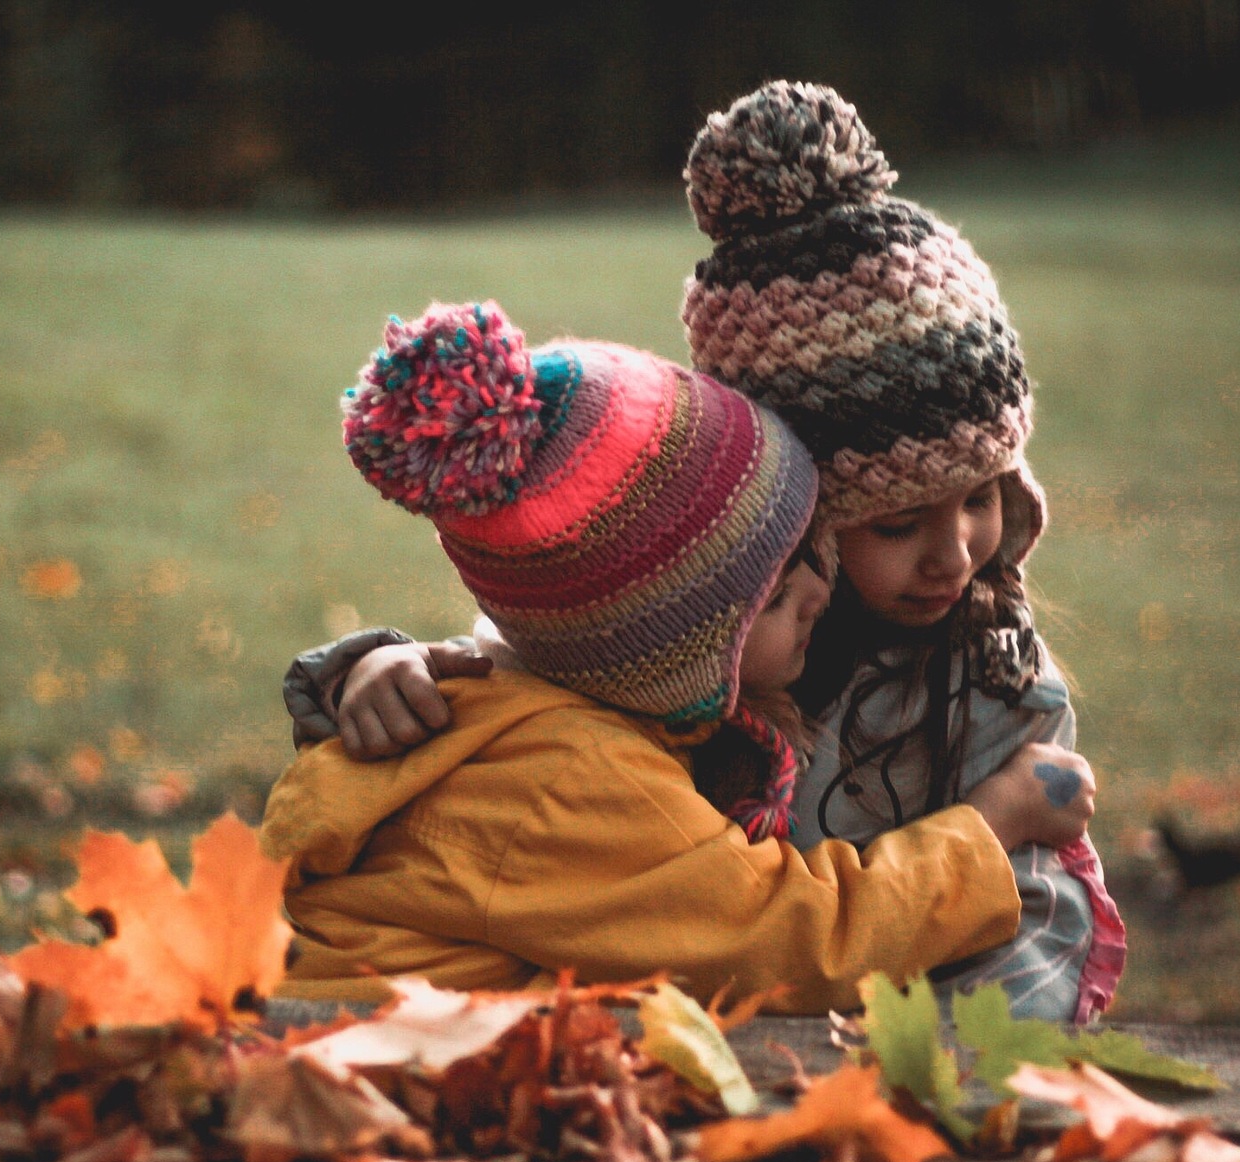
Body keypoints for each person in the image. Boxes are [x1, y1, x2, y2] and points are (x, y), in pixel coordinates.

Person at [282, 81, 1125, 1022]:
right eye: (893, 523)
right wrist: (375, 670)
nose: (957, 555)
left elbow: (1034, 921)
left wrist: (971, 1078)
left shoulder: (989, 685)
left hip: (901, 1064)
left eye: (984, 499)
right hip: (420, 1061)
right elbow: (537, 661)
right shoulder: (642, 689)